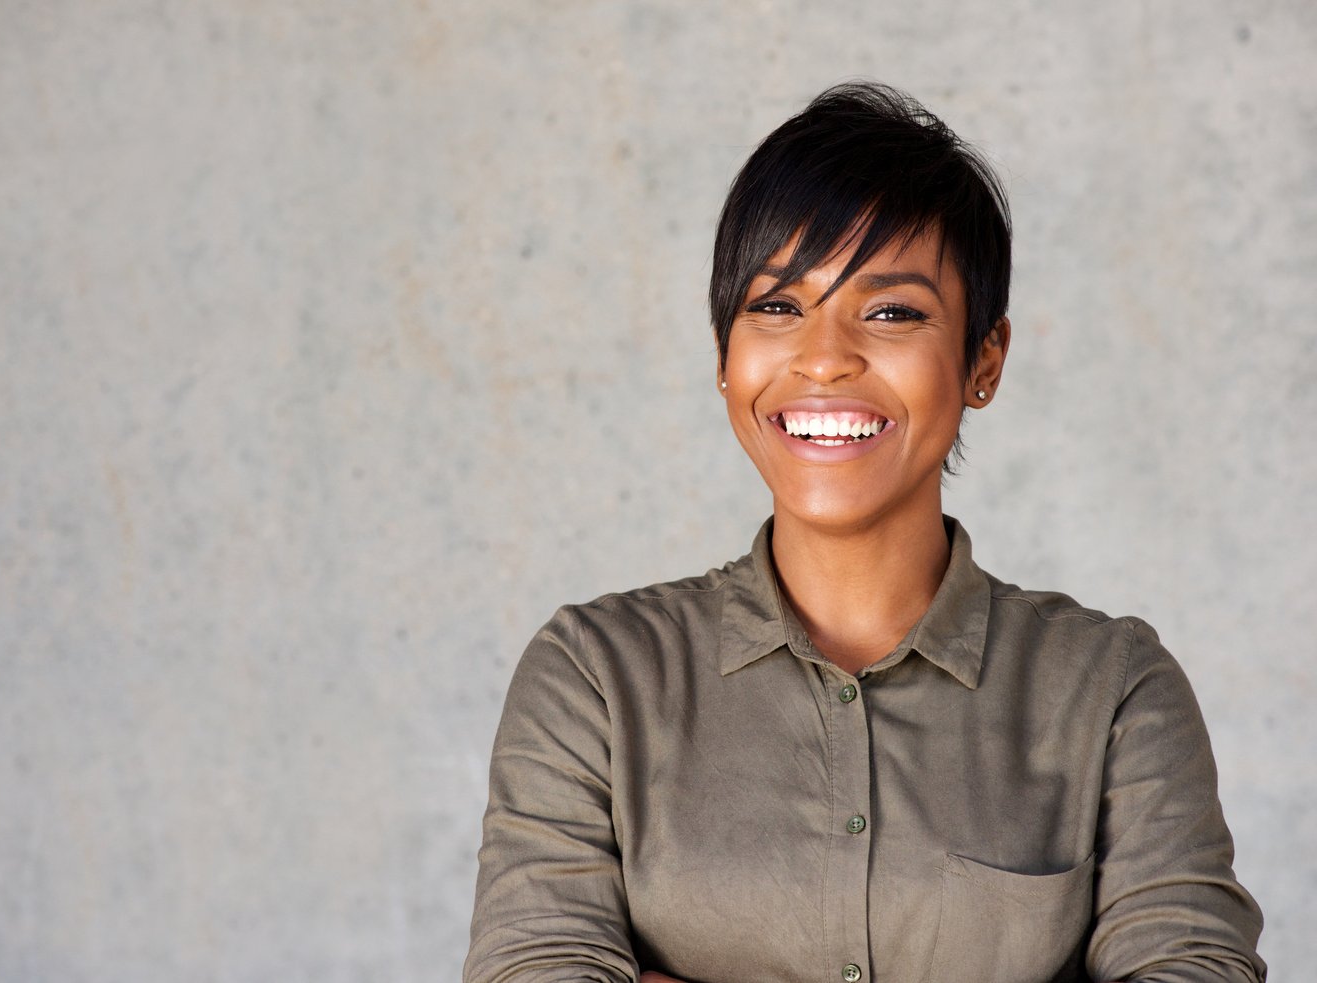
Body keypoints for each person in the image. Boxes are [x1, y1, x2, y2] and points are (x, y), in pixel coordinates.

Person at [464, 81, 1265, 983]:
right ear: (724, 359)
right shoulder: (596, 678)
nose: (823, 355)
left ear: (983, 362)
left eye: (892, 311)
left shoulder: (1114, 691)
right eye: (775, 305)